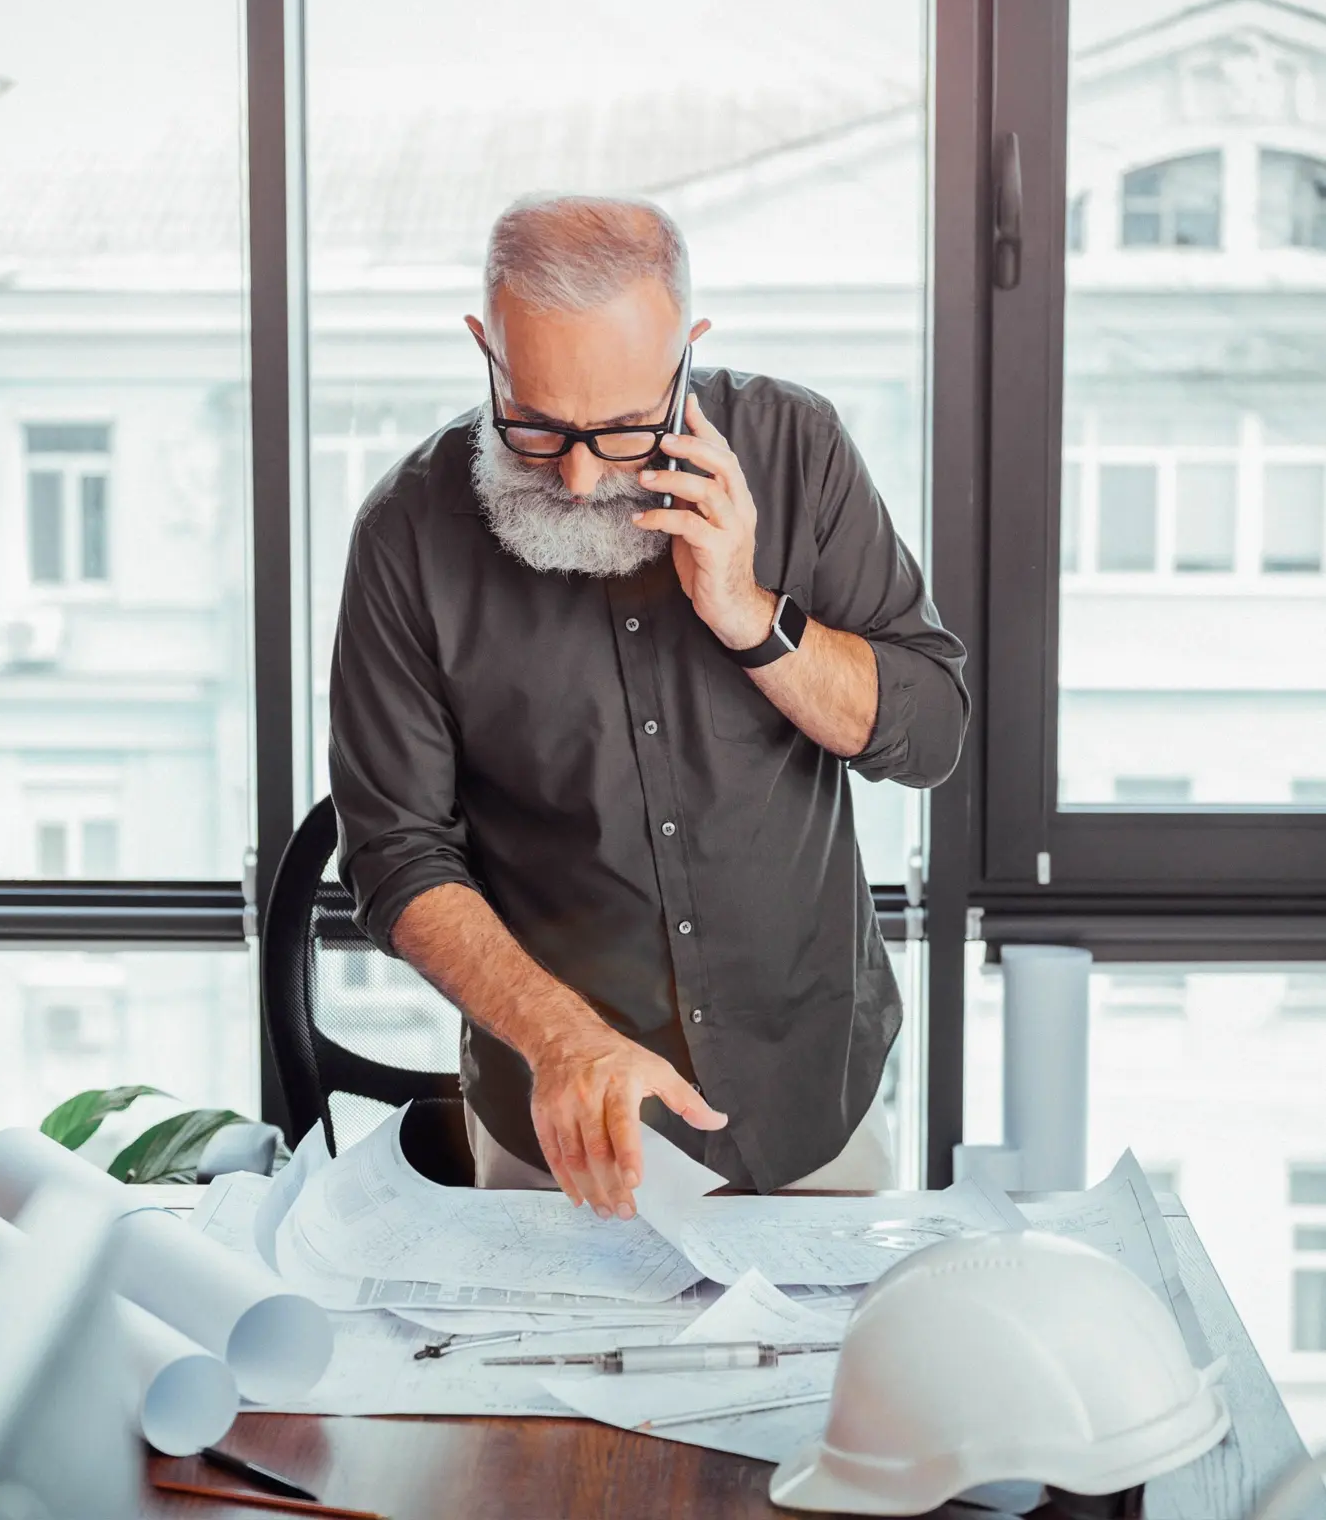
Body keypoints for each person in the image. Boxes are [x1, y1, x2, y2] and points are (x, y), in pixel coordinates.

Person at [329, 194, 968, 1218]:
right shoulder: (405, 533)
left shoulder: (798, 448)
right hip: (559, 1129)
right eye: (534, 425)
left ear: (688, 350)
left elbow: (927, 732)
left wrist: (749, 613)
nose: (579, 478)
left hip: (808, 1095)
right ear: (482, 347)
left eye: (623, 428)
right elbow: (394, 852)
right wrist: (558, 1036)